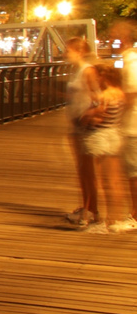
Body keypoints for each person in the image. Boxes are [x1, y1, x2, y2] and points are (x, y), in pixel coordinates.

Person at [80, 61, 128, 232]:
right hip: (115, 135)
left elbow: (96, 117)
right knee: (115, 181)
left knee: (105, 181)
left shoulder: (105, 96)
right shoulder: (120, 93)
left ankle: (110, 222)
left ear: (104, 77)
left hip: (101, 137)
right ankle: (115, 218)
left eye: (98, 76)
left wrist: (87, 115)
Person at [63, 36, 97, 227]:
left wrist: (91, 113)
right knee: (82, 170)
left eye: (69, 50)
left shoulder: (87, 70)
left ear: (80, 51)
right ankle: (87, 207)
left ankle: (92, 211)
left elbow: (98, 96)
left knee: (88, 171)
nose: (66, 54)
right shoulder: (78, 71)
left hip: (84, 126)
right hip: (76, 125)